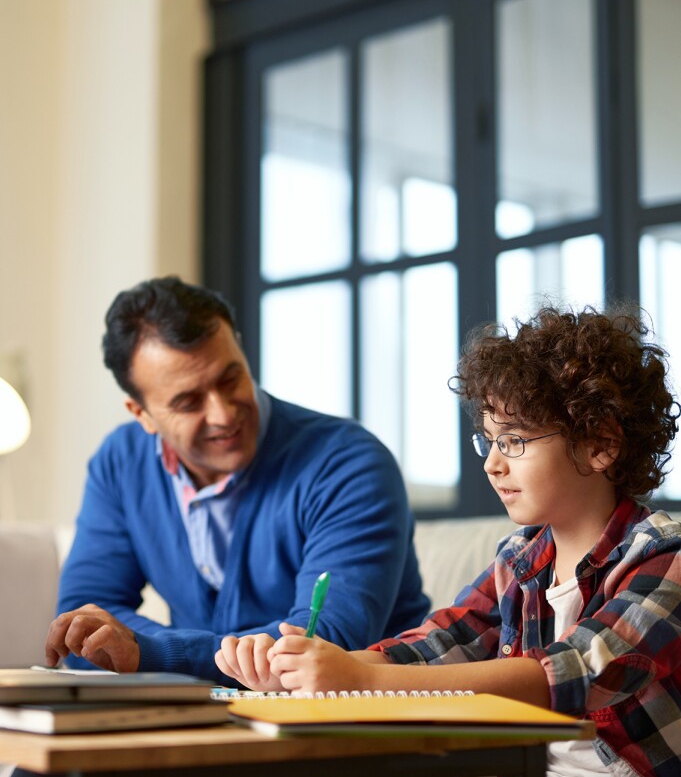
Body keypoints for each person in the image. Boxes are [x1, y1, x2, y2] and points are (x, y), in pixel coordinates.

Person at [216, 306, 681, 777]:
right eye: (489, 440)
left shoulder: (669, 558)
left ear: (600, 444)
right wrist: (301, 671)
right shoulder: (519, 560)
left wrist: (364, 681)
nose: (492, 463)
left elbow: (571, 675)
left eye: (515, 441)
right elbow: (438, 644)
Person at [44, 276, 430, 683]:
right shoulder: (121, 462)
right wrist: (139, 651)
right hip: (199, 709)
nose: (224, 414)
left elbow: (322, 643)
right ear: (142, 414)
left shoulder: (347, 463)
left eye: (230, 379)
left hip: (358, 710)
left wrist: (148, 651)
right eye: (188, 402)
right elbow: (81, 627)